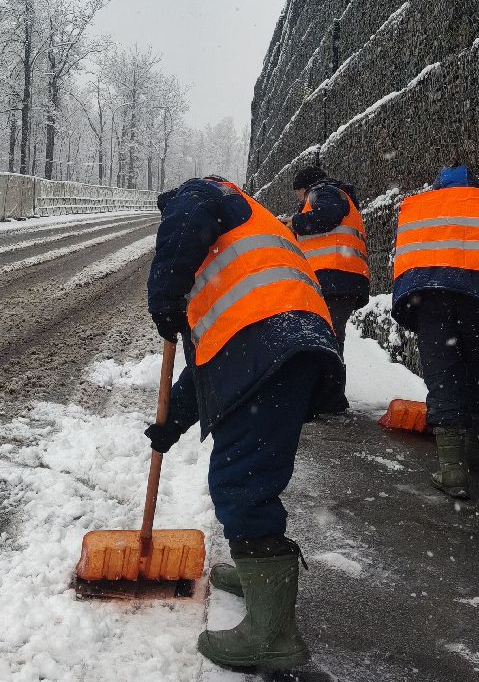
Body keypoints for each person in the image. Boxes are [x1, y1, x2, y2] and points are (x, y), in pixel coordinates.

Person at [145, 174, 345, 671]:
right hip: (287, 345)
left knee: (241, 482)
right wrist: (172, 423)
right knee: (254, 474)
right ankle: (258, 578)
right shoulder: (248, 236)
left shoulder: (202, 193)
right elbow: (209, 359)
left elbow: (187, 216)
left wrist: (164, 295)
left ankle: (272, 637)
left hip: (267, 346)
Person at [390, 163, 479, 499]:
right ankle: (476, 446)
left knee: (442, 374)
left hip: (429, 295)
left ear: (438, 186)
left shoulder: (416, 205)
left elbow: (405, 249)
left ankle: (452, 470)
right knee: (478, 366)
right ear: (473, 185)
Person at [291, 165, 370, 363]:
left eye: (297, 192)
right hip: (341, 277)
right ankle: (328, 379)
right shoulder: (336, 195)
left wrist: (295, 222)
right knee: (328, 336)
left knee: (326, 337)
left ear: (304, 187)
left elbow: (327, 215)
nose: (298, 199)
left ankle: (329, 381)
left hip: (334, 275)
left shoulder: (323, 191)